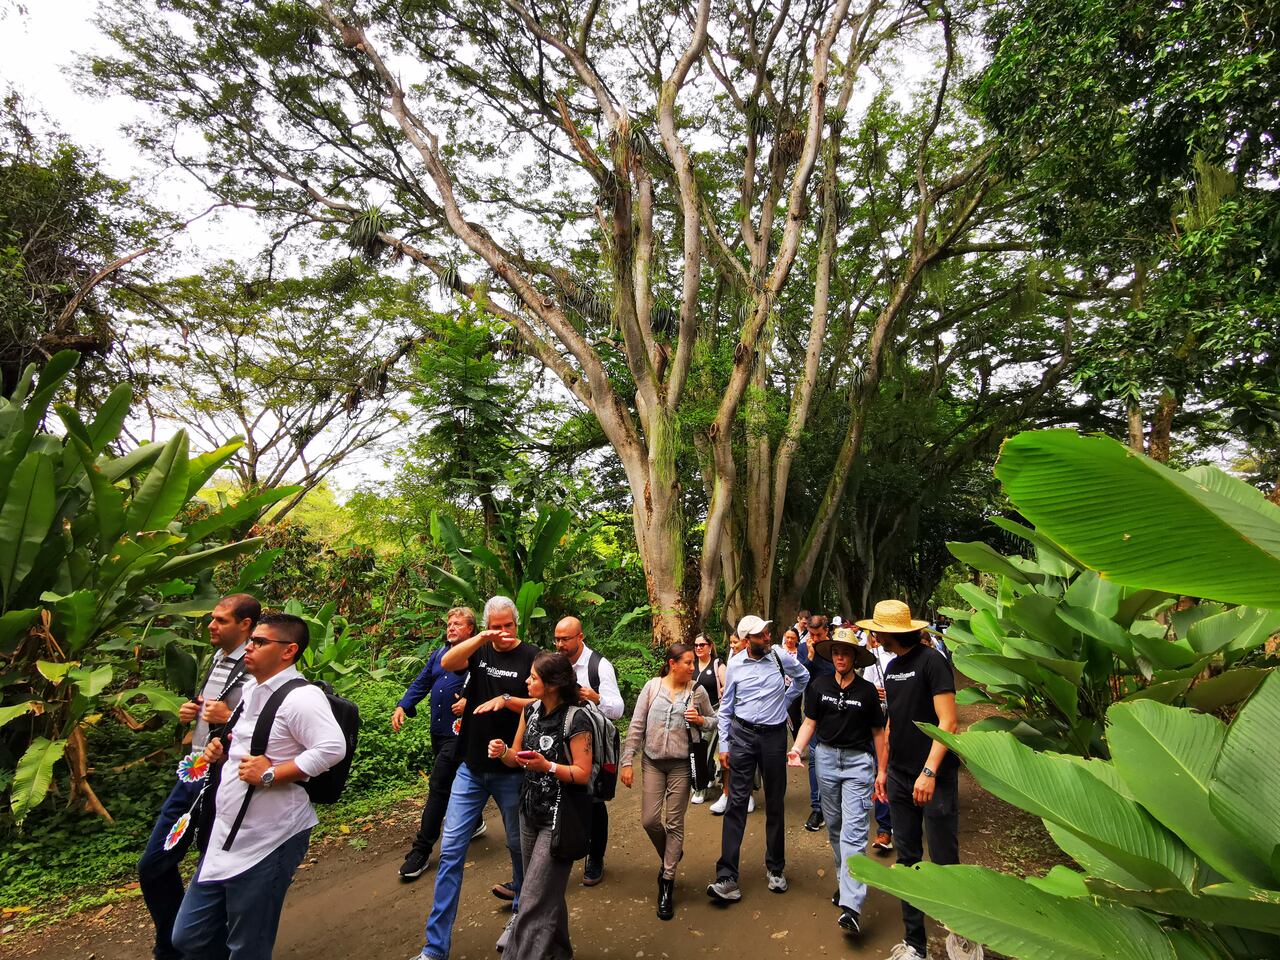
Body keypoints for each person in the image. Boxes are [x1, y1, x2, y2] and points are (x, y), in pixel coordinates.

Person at [171, 612, 346, 960]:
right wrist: (220, 750)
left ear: (288, 651)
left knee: (248, 946)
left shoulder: (302, 698)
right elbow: (248, 740)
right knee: (188, 937)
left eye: (260, 642)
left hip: (270, 838)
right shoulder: (252, 690)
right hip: (226, 836)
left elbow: (331, 748)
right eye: (251, 641)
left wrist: (271, 774)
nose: (249, 648)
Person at [413, 596, 539, 960]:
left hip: (510, 769)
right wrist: (481, 639)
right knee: (451, 851)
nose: (502, 633)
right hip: (470, 769)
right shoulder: (480, 651)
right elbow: (449, 661)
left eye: (508, 626)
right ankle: (435, 949)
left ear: (517, 624)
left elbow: (545, 699)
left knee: (519, 848)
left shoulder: (531, 656)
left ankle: (519, 916)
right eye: (495, 626)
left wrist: (506, 699)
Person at [138, 593, 258, 960]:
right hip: (194, 773)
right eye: (213, 618)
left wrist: (229, 719)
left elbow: (267, 724)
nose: (211, 625)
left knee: (213, 864)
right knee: (154, 864)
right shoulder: (218, 658)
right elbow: (215, 705)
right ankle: (175, 944)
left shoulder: (255, 664)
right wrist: (194, 710)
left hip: (225, 778)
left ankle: (196, 947)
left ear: (245, 625)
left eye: (221, 620)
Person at [859, 600, 964, 960]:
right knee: (907, 860)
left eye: (877, 630)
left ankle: (963, 937)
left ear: (892, 633)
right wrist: (884, 771)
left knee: (945, 860)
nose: (873, 635)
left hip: (934, 778)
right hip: (901, 777)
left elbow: (948, 722)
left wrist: (929, 772)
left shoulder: (933, 662)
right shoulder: (891, 667)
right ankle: (915, 945)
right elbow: (892, 724)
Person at [485, 652, 594, 960]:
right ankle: (560, 953)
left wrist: (547, 766)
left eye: (533, 678)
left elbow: (582, 773)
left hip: (559, 818)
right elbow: (517, 757)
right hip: (529, 811)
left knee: (532, 898)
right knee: (547, 892)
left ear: (552, 685)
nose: (526, 681)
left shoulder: (577, 718)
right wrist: (503, 750)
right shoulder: (530, 711)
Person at [787, 627, 887, 937]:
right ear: (831, 656)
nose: (840, 656)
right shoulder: (818, 686)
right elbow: (810, 722)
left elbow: (878, 733)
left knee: (854, 833)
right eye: (836, 652)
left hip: (858, 763)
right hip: (826, 761)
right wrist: (796, 749)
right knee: (835, 827)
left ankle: (851, 906)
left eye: (846, 652)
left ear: (855, 657)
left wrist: (882, 772)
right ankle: (845, 884)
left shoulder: (867, 691)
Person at [706, 615, 808, 903]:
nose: (768, 637)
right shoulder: (735, 665)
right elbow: (726, 709)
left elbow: (803, 677)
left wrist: (786, 701)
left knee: (775, 802)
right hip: (743, 737)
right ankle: (727, 876)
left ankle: (776, 868)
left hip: (774, 738)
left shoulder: (778, 657)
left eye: (767, 632)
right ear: (748, 640)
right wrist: (724, 745)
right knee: (736, 803)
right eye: (762, 635)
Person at [620, 643, 716, 920]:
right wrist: (627, 760)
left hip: (681, 765)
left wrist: (700, 720)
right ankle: (672, 854)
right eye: (687, 662)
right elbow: (637, 725)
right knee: (649, 820)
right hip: (651, 761)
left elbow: (716, 720)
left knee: (674, 823)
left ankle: (667, 881)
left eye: (692, 663)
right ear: (672, 664)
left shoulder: (697, 691)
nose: (692, 667)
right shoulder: (652, 687)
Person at [393, 606, 487, 881]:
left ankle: (421, 851)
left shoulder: (477, 653)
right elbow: (422, 682)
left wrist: (471, 700)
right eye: (449, 622)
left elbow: (491, 684)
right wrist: (403, 705)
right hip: (439, 731)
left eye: (458, 623)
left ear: (470, 629)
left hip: (462, 732)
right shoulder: (439, 654)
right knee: (459, 777)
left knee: (439, 785)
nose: (451, 627)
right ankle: (477, 820)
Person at [553, 616, 623, 886]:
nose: (560, 644)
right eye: (557, 639)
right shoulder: (554, 663)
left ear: (580, 637)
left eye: (565, 639)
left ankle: (595, 857)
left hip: (592, 745)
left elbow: (617, 709)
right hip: (559, 741)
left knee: (593, 801)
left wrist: (595, 697)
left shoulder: (599, 666)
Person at [795, 614, 835, 832]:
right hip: (813, 712)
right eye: (811, 634)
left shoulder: (834, 647)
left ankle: (835, 803)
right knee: (814, 759)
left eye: (818, 634)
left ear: (826, 630)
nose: (815, 638)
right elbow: (801, 678)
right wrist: (809, 656)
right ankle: (817, 807)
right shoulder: (804, 648)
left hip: (837, 711)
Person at [708, 632, 754, 815]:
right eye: (732, 643)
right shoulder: (731, 662)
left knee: (748, 759)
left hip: (747, 719)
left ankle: (748, 794)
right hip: (729, 716)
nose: (733, 645)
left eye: (736, 642)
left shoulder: (754, 662)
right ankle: (726, 793)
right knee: (726, 756)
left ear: (746, 642)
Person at [861, 629, 896, 852]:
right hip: (883, 722)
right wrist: (875, 691)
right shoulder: (875, 659)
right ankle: (885, 829)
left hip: (909, 723)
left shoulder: (916, 657)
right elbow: (866, 687)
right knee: (882, 772)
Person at [690, 634, 723, 805]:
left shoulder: (717, 665)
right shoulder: (691, 665)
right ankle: (707, 776)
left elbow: (726, 687)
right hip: (693, 717)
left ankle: (700, 788)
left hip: (713, 714)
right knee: (696, 750)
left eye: (702, 645)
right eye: (696, 645)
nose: (698, 648)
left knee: (706, 750)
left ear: (710, 646)